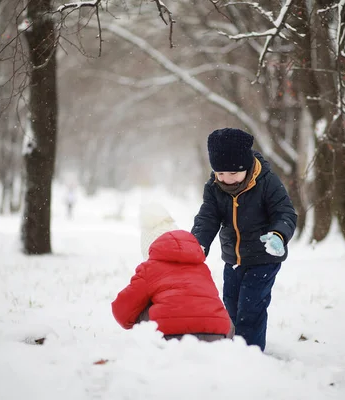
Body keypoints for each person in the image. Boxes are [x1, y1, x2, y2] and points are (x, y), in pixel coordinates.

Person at [191, 127, 297, 351]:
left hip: (264, 258)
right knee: (230, 305)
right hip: (233, 258)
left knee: (251, 307)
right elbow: (208, 217)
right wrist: (198, 243)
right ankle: (232, 350)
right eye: (220, 174)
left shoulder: (266, 182)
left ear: (246, 166)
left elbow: (285, 213)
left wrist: (279, 235)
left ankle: (250, 354)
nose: (226, 180)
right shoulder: (214, 187)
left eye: (232, 174)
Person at [111, 202, 234, 342]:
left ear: (150, 248)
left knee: (142, 303)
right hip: (216, 335)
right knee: (212, 307)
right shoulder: (200, 266)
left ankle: (154, 338)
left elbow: (121, 311)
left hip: (169, 335)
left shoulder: (150, 268)